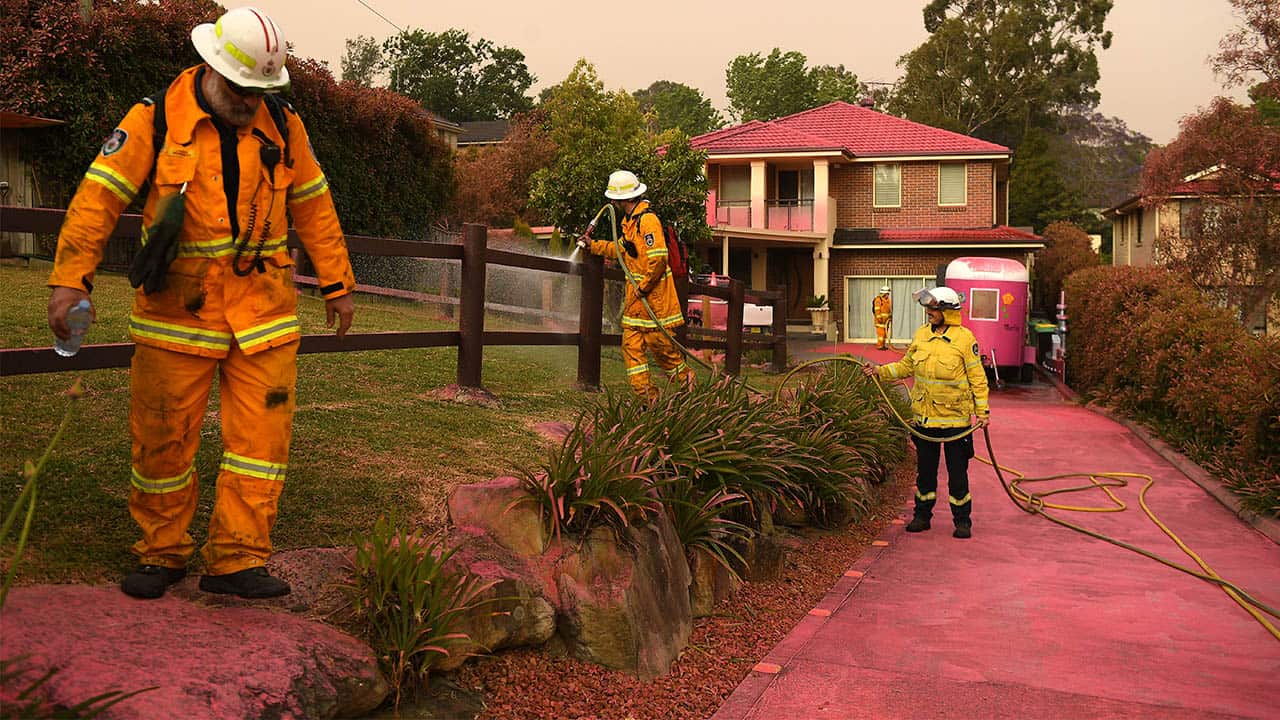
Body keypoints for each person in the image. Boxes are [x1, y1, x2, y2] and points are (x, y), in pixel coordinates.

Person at [46, 7, 356, 599]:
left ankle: (237, 561)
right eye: (240, 88)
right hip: (176, 320)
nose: (247, 101)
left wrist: (337, 283)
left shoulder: (285, 126)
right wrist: (70, 278)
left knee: (261, 449)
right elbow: (98, 198)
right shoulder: (155, 121)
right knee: (163, 441)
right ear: (212, 67)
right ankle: (161, 553)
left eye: (259, 90)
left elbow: (314, 203)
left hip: (263, 319)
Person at [862, 286, 989, 538]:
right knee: (925, 474)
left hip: (956, 423)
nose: (929, 313)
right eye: (928, 308)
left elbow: (978, 378)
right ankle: (922, 516)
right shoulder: (921, 335)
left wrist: (982, 412)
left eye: (933, 309)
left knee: (957, 476)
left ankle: (962, 521)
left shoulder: (965, 340)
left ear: (947, 311)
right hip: (925, 420)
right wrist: (880, 372)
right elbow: (906, 366)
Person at [577, 170, 691, 400]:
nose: (611, 202)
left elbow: (658, 258)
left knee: (665, 355)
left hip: (654, 304)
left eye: (614, 198)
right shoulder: (630, 222)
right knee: (632, 352)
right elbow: (620, 250)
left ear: (622, 198)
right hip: (636, 305)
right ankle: (649, 402)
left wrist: (644, 287)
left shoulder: (648, 220)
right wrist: (593, 245)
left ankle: (692, 394)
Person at [872, 285, 893, 350]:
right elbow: (877, 310)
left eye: (888, 294)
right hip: (880, 322)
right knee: (881, 334)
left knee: (884, 335)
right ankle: (879, 346)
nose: (888, 295)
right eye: (887, 294)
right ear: (884, 294)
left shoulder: (888, 300)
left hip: (886, 321)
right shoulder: (878, 300)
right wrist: (879, 318)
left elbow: (889, 310)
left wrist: (890, 317)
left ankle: (883, 345)